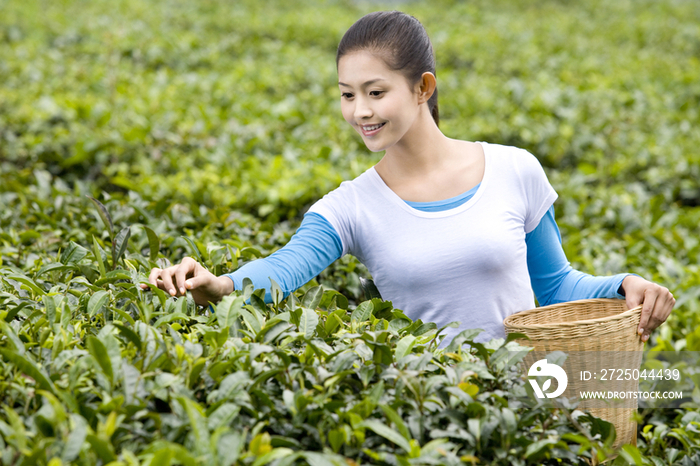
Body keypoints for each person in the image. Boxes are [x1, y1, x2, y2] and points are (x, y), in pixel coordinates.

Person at [141, 11, 675, 344]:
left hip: (533, 400)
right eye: (347, 94)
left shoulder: (515, 169)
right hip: (433, 413)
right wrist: (220, 285)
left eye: (376, 92)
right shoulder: (349, 208)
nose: (359, 112)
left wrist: (624, 285)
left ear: (423, 88)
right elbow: (285, 268)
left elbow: (554, 286)